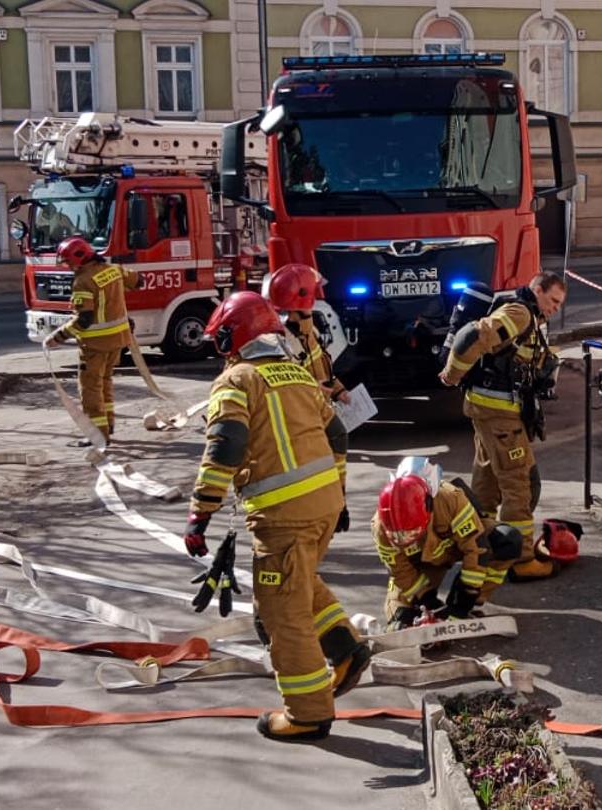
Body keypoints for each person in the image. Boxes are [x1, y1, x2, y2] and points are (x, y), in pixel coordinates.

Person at [179, 291, 371, 743]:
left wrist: (199, 514)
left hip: (283, 515)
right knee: (299, 582)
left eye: (221, 339)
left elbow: (225, 446)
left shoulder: (237, 380)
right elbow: (338, 434)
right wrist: (338, 494)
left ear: (233, 336)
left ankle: (308, 713)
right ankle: (345, 650)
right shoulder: (301, 376)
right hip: (322, 507)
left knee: (280, 612)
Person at [438, 271, 567, 584]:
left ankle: (481, 549)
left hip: (493, 412)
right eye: (552, 300)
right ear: (537, 289)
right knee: (517, 483)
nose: (554, 308)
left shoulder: (530, 318)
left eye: (559, 304)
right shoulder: (519, 312)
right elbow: (473, 336)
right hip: (499, 415)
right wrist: (451, 374)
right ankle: (520, 559)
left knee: (487, 485)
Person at [372, 469, 529, 628]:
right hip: (423, 562)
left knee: (508, 542)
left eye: (410, 532)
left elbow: (475, 547)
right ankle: (413, 615)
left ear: (427, 509)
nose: (403, 539)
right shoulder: (380, 528)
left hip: (458, 545)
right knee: (401, 616)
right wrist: (427, 599)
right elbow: (400, 570)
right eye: (396, 535)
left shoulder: (450, 498)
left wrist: (465, 597)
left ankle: (473, 604)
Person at [265, 262, 353, 532]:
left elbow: (322, 368)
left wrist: (339, 390)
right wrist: (315, 390)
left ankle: (336, 507)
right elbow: (283, 384)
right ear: (303, 298)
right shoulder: (280, 339)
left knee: (334, 453)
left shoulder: (309, 331)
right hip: (302, 418)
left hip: (319, 411)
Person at [46, 236, 138, 446]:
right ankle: (108, 425)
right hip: (118, 340)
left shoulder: (83, 281)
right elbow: (138, 281)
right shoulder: (114, 270)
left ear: (80, 258)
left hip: (95, 345)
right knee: (105, 382)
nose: (68, 266)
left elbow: (84, 320)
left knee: (90, 389)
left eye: (69, 262)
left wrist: (57, 337)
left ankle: (97, 434)